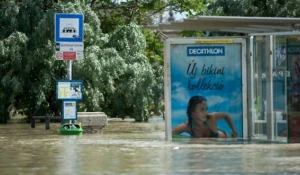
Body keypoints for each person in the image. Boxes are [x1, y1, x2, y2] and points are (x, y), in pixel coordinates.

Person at [172, 95, 238, 138]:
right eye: (202, 109)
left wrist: (234, 130)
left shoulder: (211, 117)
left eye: (206, 109)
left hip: (225, 139)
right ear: (193, 112)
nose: (205, 112)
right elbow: (171, 135)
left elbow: (226, 115)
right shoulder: (187, 126)